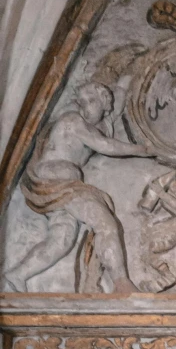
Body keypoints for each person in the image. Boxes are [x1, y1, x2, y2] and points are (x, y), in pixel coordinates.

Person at [15, 83, 138, 292]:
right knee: (105, 223)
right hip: (54, 179)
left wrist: (127, 78)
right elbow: (106, 146)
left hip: (60, 189)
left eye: (91, 101)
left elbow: (117, 99)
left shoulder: (102, 125)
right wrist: (145, 150)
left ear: (104, 103)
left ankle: (16, 276)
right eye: (81, 102)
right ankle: (122, 284)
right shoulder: (74, 120)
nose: (84, 107)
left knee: (62, 239)